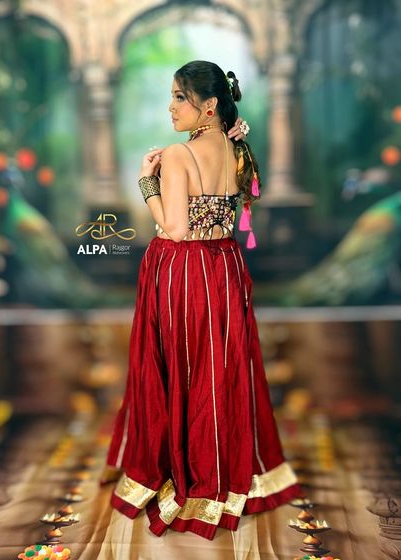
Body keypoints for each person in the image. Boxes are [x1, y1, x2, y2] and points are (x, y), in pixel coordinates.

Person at [99, 60, 303, 541]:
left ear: (209, 105)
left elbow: (174, 228)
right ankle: (227, 477)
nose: (170, 107)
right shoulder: (234, 149)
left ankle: (187, 478)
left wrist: (146, 183)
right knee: (220, 372)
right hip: (225, 266)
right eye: (171, 97)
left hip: (185, 271)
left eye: (179, 97)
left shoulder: (178, 154)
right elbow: (229, 213)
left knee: (182, 370)